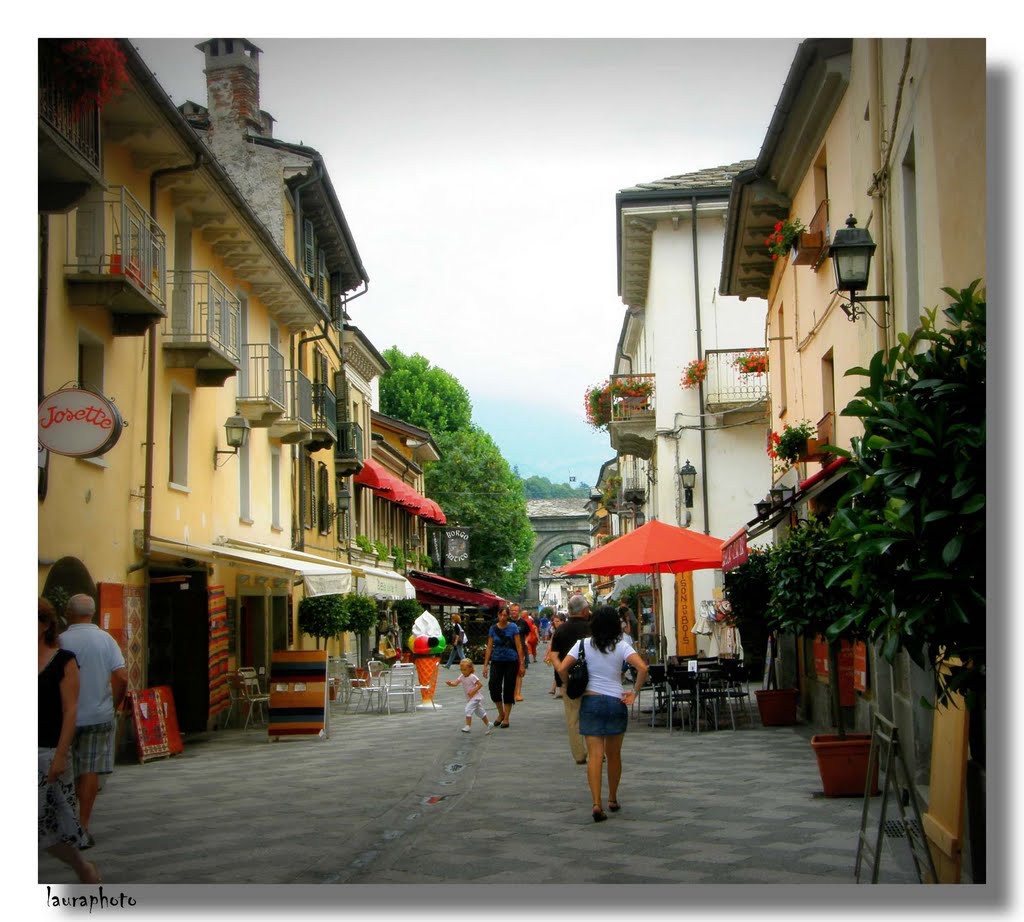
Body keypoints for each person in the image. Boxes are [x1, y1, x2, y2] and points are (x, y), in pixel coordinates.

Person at [557, 604, 648, 822]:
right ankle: (613, 798)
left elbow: (561, 668)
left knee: (595, 755)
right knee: (614, 755)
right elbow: (643, 668)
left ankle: (596, 802)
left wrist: (569, 686)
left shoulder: (583, 644)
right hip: (616, 701)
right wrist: (634, 692)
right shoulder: (622, 645)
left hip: (591, 701)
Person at [39, 597, 101, 884]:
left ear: (45, 625)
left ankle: (81, 866)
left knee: (48, 829)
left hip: (47, 749)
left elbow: (70, 708)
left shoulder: (64, 660)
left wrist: (61, 754)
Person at [59, 593, 128, 849]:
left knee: (63, 770)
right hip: (98, 715)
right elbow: (121, 677)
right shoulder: (105, 640)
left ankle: (62, 826)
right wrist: (114, 704)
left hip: (64, 716)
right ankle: (82, 827)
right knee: (89, 772)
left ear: (68, 612)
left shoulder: (60, 641)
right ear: (93, 612)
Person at [547, 595, 592, 764]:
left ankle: (579, 755)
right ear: (584, 610)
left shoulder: (561, 630)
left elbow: (553, 655)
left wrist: (563, 674)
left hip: (570, 681)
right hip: (592, 680)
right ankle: (595, 751)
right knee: (592, 715)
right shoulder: (591, 628)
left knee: (573, 719)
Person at [482, 605, 524, 728]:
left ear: (508, 616)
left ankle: (506, 718)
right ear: (498, 616)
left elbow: (518, 646)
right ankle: (501, 713)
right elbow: (489, 647)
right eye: (501, 615)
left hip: (511, 661)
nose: (502, 617)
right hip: (497, 660)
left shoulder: (513, 627)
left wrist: (521, 664)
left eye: (505, 615)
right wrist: (485, 665)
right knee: (494, 686)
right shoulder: (493, 629)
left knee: (509, 688)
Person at [445, 659, 492, 734]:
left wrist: (473, 691)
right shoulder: (462, 676)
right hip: (470, 698)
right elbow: (455, 683)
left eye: (465, 670)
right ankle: (488, 723)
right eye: (461, 670)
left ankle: (468, 726)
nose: (463, 672)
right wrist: (450, 683)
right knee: (479, 712)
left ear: (470, 669)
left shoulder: (472, 676)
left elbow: (480, 685)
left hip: (475, 697)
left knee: (468, 709)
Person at [509, 604, 531, 701]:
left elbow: (528, 633)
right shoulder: (507, 621)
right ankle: (511, 692)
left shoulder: (523, 622)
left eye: (515, 610)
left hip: (520, 650)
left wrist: (526, 641)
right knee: (509, 673)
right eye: (512, 610)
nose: (514, 612)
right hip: (508, 650)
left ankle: (518, 693)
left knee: (519, 672)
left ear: (519, 611)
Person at [545, 612, 566, 695]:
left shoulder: (564, 630)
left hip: (563, 653)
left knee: (560, 670)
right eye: (554, 621)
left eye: (557, 621)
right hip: (556, 654)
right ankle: (557, 689)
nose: (555, 623)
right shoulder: (555, 631)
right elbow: (551, 643)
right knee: (557, 670)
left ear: (563, 621)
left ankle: (558, 689)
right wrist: (548, 654)